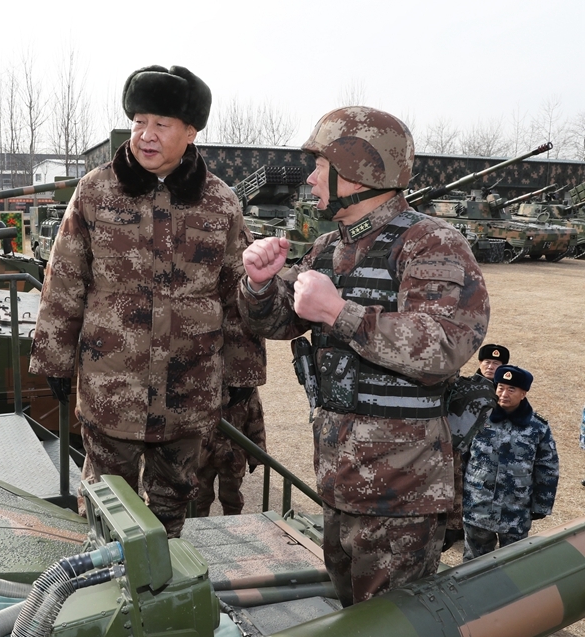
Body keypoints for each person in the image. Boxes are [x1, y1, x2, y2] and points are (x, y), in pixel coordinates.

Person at [237, 106, 490, 606]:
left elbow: (445, 344)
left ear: (358, 171)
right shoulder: (329, 247)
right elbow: (278, 322)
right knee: (350, 611)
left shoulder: (430, 243)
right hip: (339, 478)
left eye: (320, 166)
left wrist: (340, 312)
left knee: (392, 622)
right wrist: (259, 286)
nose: (310, 179)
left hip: (401, 492)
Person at [28, 65, 265, 538]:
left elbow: (235, 290)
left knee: (174, 509)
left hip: (188, 392)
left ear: (191, 132)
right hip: (112, 389)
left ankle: (167, 581)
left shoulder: (220, 202)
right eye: (139, 121)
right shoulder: (96, 191)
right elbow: (65, 279)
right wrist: (54, 358)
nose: (146, 134)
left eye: (161, 124)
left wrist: (242, 373)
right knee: (105, 511)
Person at [462, 365, 559, 561]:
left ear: (523, 393)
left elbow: (547, 467)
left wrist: (541, 505)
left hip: (515, 512)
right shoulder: (479, 417)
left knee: (514, 564)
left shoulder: (537, 427)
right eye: (501, 387)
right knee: (472, 566)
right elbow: (461, 457)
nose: (504, 394)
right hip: (477, 508)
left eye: (511, 389)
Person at [443, 343, 509, 550]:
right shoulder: (465, 385)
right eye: (487, 362)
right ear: (480, 362)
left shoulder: (506, 393)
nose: (490, 366)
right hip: (461, 446)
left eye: (496, 363)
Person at [194, 387, 266, 516]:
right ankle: (196, 527)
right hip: (203, 451)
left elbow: (255, 417)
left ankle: (233, 525)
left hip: (233, 453)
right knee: (199, 499)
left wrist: (256, 455)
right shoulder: (200, 379)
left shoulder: (245, 384)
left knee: (232, 500)